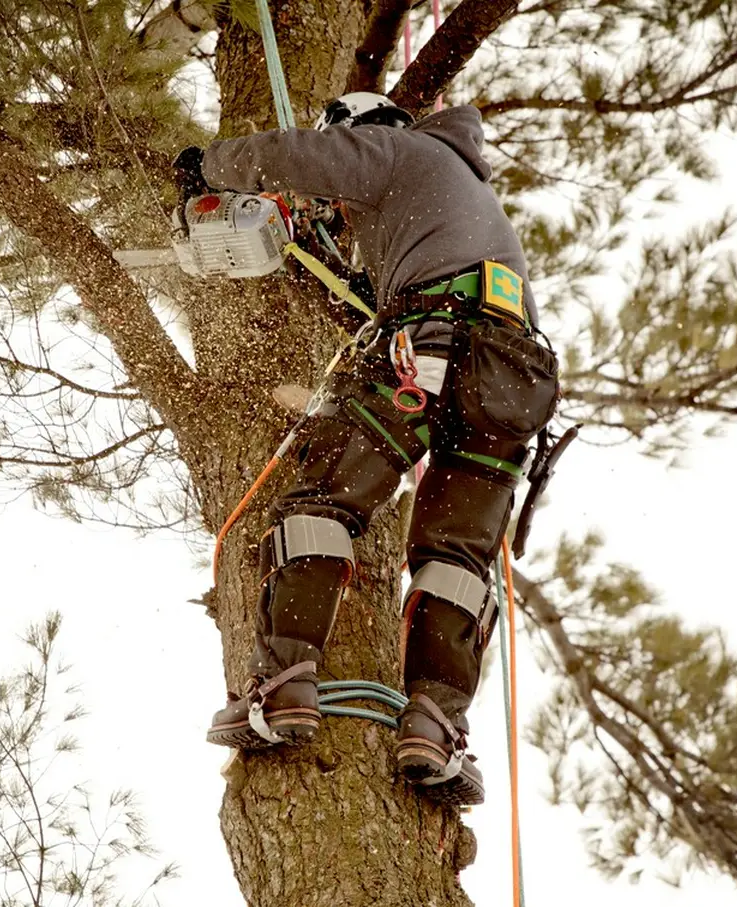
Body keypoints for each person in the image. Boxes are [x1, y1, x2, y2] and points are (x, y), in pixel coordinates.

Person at [175, 92, 560, 806]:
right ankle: (433, 728)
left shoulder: (395, 149)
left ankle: (284, 685)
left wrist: (211, 167)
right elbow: (378, 298)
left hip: (433, 342)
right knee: (456, 556)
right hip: (513, 375)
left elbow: (293, 156)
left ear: (361, 132)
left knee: (324, 499)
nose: (343, 214)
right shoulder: (455, 194)